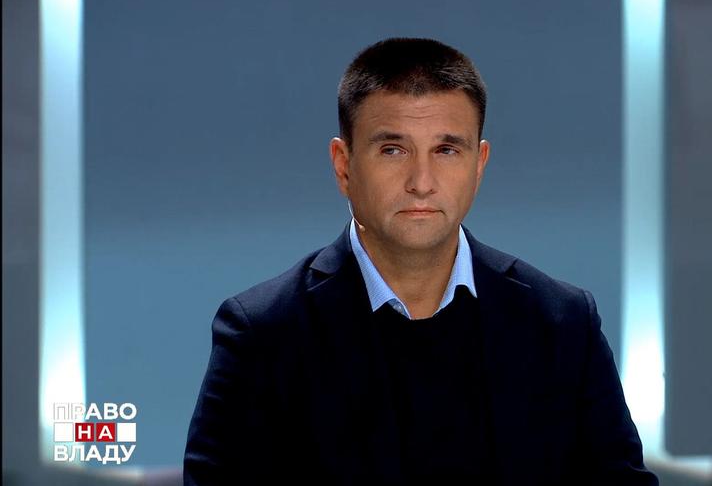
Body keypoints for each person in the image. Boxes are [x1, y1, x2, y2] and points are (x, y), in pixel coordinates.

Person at [184, 37, 658, 485]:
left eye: (446, 150)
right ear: (344, 165)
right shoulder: (263, 334)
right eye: (393, 150)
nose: (422, 181)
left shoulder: (562, 323)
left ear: (479, 164)